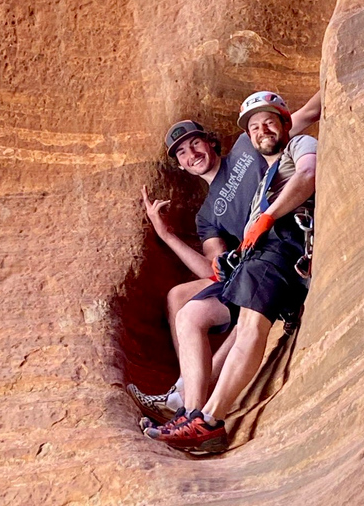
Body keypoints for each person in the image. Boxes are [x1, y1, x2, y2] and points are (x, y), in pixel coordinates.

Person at [127, 91, 321, 427]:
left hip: (275, 243)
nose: (192, 155)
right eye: (183, 154)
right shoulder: (206, 216)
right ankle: (187, 398)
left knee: (245, 309)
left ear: (212, 143)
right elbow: (212, 269)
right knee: (180, 298)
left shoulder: (248, 149)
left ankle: (189, 403)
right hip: (247, 261)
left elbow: (304, 115)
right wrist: (167, 236)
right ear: (181, 166)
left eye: (195, 144)